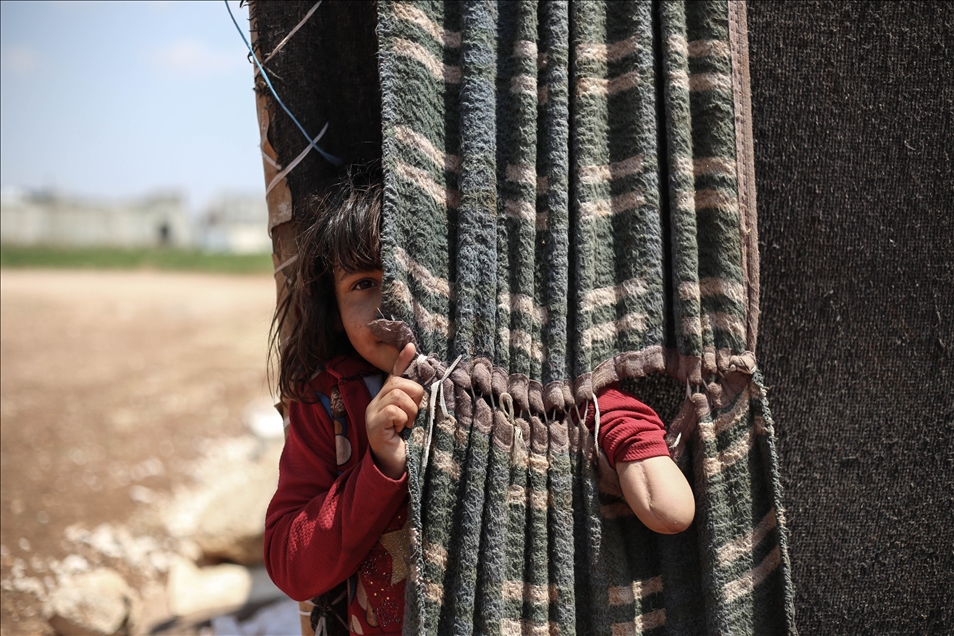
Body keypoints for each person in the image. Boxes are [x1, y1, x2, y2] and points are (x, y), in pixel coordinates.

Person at [264, 166, 694, 635]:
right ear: (334, 310)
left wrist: (625, 431)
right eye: (364, 283)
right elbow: (291, 565)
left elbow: (586, 411)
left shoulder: (522, 382)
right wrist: (379, 470)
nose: (392, 301)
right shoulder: (330, 405)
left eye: (412, 275)